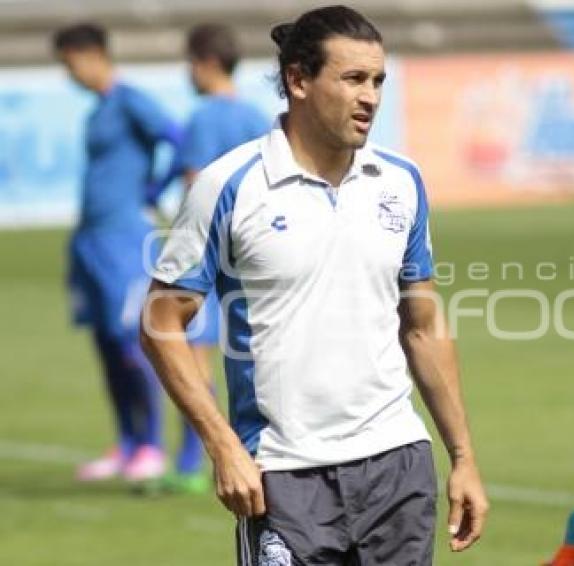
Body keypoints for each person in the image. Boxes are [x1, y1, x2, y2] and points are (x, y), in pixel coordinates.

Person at [141, 5, 487, 565]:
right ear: (298, 80)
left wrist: (463, 456)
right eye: (352, 79)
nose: (370, 96)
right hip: (283, 474)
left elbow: (422, 328)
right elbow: (160, 322)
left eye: (377, 81)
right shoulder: (228, 185)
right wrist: (222, 443)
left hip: (398, 466)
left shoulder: (401, 182)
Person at [53, 22, 181, 482]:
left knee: (132, 343)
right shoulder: (98, 111)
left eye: (70, 64)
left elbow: (176, 137)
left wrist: (156, 187)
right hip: (90, 239)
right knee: (106, 344)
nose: (70, 75)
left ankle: (152, 445)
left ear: (90, 55)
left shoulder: (130, 100)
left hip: (125, 239)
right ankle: (126, 443)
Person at [157, 23, 269, 495]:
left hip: (210, 256)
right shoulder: (258, 115)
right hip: (256, 254)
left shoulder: (204, 117)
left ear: (205, 62)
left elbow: (194, 183)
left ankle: (189, 463)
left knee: (189, 358)